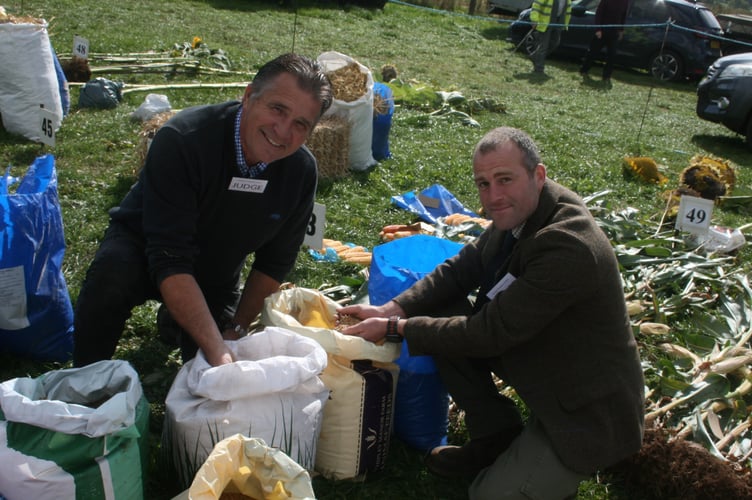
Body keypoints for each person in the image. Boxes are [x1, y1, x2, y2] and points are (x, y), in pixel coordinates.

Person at [338, 127, 645, 499]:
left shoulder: (568, 246)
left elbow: (488, 333)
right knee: (436, 305)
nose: (493, 196)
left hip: (585, 410)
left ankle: (542, 460)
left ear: (538, 175)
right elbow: (463, 267)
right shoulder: (526, 210)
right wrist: (393, 307)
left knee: (485, 495)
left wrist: (394, 328)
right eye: (483, 184)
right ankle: (496, 433)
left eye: (504, 180)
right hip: (537, 356)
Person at [73, 53, 333, 368]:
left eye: (300, 124)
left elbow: (274, 264)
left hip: (216, 271)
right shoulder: (184, 139)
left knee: (209, 362)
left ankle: (178, 319)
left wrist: (235, 330)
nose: (282, 131)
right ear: (249, 96)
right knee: (110, 278)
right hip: (145, 247)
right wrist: (218, 350)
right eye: (277, 109)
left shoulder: (301, 172)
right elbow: (170, 255)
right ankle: (85, 378)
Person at [579, 0, 630, 85]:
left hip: (614, 33)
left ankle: (606, 76)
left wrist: (621, 30)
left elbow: (623, 16)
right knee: (593, 52)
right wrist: (598, 29)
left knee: (612, 55)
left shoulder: (625, 2)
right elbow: (599, 14)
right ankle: (584, 70)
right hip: (602, 31)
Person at [529, 0, 572, 74]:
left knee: (555, 43)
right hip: (545, 23)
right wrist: (534, 19)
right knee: (543, 47)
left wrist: (565, 24)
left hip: (558, 23)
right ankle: (539, 69)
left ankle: (535, 56)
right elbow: (536, 6)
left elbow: (567, 12)